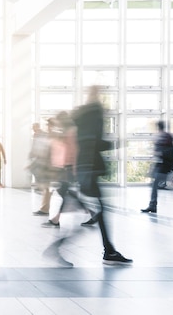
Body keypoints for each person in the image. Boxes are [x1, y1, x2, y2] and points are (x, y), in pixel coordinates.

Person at [43, 86, 132, 267]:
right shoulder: (93, 115)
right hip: (86, 171)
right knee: (95, 212)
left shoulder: (80, 117)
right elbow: (92, 144)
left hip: (81, 172)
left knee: (94, 211)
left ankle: (107, 250)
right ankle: (106, 251)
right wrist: (118, 143)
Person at [41, 112, 77, 228]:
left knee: (64, 193)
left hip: (68, 167)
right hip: (64, 167)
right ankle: (91, 211)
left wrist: (73, 169)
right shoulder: (65, 132)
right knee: (65, 193)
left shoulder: (71, 132)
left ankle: (56, 220)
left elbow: (73, 151)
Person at [141, 120, 173, 214]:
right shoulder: (165, 136)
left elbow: (167, 151)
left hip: (163, 165)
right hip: (162, 165)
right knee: (154, 185)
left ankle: (152, 205)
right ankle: (152, 205)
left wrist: (159, 153)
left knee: (155, 184)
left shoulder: (164, 137)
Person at [29, 120, 54, 216]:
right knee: (46, 187)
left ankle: (45, 209)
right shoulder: (44, 135)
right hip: (46, 163)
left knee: (48, 187)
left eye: (49, 125)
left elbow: (44, 150)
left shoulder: (47, 135)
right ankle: (44, 208)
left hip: (49, 164)